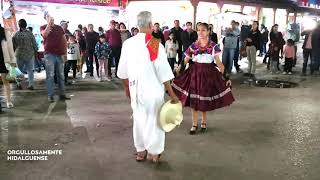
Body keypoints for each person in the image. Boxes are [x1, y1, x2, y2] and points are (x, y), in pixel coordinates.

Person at [117, 11, 179, 163]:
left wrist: (128, 90)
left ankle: (140, 151)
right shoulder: (154, 43)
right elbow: (164, 74)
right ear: (151, 25)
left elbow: (123, 72)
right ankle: (154, 152)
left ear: (138, 26)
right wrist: (173, 95)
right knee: (155, 122)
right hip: (153, 92)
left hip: (135, 91)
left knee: (139, 120)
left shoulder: (128, 43)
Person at [172, 23, 234, 135]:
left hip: (208, 74)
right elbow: (185, 60)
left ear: (208, 31)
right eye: (199, 30)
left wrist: (226, 77)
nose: (201, 32)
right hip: (194, 73)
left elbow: (219, 63)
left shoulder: (214, 46)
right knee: (194, 99)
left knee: (204, 98)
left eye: (203, 30)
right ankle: (194, 124)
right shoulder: (193, 46)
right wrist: (177, 72)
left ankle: (204, 122)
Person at [40, 12, 70, 102]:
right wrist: (49, 24)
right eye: (48, 17)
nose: (51, 18)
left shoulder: (59, 28)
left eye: (51, 17)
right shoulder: (43, 27)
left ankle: (62, 94)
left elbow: (64, 40)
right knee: (50, 75)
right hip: (49, 54)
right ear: (45, 18)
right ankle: (50, 95)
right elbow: (44, 34)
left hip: (59, 54)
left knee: (61, 75)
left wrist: (65, 54)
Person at [12, 19, 38, 90]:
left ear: (19, 25)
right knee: (30, 70)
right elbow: (34, 44)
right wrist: (36, 51)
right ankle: (31, 84)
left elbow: (13, 45)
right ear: (26, 25)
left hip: (19, 54)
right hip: (29, 54)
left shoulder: (15, 34)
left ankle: (19, 84)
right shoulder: (30, 33)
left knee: (18, 70)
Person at [0, 24, 16, 109]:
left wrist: (13, 61)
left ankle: (8, 101)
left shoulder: (5, 32)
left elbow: (10, 47)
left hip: (4, 60)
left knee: (6, 81)